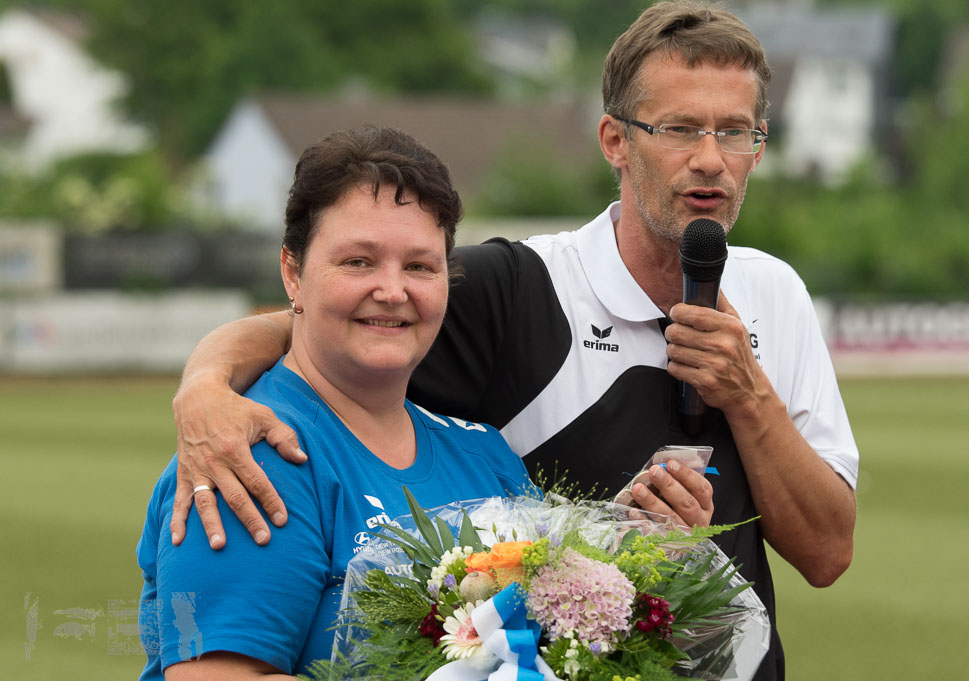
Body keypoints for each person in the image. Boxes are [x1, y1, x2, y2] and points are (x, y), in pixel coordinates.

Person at [167, 3, 858, 679]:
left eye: (735, 132)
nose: (710, 159)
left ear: (759, 146)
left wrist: (745, 393)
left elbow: (827, 553)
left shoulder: (777, 294)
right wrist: (205, 386)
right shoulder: (519, 288)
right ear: (615, 140)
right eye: (680, 128)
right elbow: (341, 319)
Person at [138, 127, 539, 679]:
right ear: (292, 273)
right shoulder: (252, 456)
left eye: (420, 266)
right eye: (358, 261)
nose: (393, 290)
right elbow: (217, 676)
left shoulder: (485, 453)